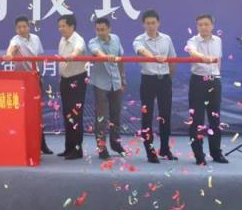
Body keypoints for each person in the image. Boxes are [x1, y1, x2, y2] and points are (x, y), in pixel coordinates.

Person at [133, 9, 177, 162]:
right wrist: (154, 57)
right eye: (148, 23)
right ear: (143, 24)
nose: (151, 26)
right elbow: (141, 51)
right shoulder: (139, 39)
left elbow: (172, 59)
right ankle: (150, 151)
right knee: (147, 116)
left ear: (158, 23)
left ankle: (165, 149)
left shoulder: (167, 39)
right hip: (148, 80)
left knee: (165, 115)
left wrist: (169, 77)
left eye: (153, 23)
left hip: (164, 80)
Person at [4, 15, 52, 155]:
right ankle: (22, 144)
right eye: (19, 27)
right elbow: (11, 49)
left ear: (28, 27)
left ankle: (42, 144)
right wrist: (9, 55)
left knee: (37, 113)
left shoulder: (36, 39)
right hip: (21, 81)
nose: (22, 29)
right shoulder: (15, 40)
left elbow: (40, 56)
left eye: (24, 26)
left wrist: (37, 71)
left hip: (35, 78)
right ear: (16, 29)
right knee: (21, 113)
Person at [185, 14, 228, 165]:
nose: (203, 27)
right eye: (200, 25)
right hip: (198, 81)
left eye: (206, 24)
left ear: (212, 26)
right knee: (197, 120)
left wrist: (217, 76)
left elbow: (219, 61)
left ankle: (216, 153)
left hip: (214, 80)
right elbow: (192, 52)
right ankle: (199, 155)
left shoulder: (218, 40)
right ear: (197, 26)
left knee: (215, 119)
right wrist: (203, 58)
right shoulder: (192, 41)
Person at [87, 17, 126, 159]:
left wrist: (123, 80)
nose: (100, 32)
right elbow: (97, 52)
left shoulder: (116, 39)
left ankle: (116, 144)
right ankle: (102, 148)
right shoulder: (93, 42)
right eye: (98, 30)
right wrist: (106, 56)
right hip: (100, 84)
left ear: (109, 29)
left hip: (116, 82)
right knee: (101, 118)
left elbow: (121, 60)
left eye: (103, 29)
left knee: (116, 115)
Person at [57, 14, 87, 160]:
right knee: (67, 114)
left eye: (63, 26)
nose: (60, 29)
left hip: (77, 80)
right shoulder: (62, 40)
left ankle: (77, 149)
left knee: (75, 115)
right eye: (59, 26)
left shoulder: (78, 39)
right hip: (65, 80)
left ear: (71, 26)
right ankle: (68, 147)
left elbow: (78, 50)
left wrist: (73, 55)